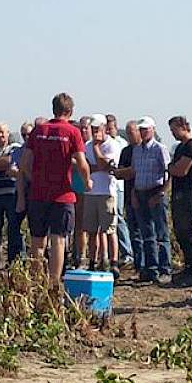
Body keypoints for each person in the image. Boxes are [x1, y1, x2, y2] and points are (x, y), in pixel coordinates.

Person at [18, 93, 92, 286]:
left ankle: (36, 281)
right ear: (70, 111)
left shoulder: (38, 130)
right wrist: (87, 181)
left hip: (38, 194)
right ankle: (53, 284)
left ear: (53, 109)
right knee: (58, 240)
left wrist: (35, 179)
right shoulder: (72, 132)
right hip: (62, 195)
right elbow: (82, 164)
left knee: (37, 240)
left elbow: (24, 163)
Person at [122, 116, 172, 284]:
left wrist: (160, 194)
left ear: (153, 129)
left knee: (161, 233)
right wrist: (134, 194)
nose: (143, 132)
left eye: (146, 129)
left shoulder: (160, 149)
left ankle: (164, 269)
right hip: (140, 192)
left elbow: (168, 173)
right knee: (146, 234)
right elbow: (135, 173)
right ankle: (150, 269)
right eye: (141, 129)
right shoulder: (137, 150)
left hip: (155, 192)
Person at [168, 116, 192, 286]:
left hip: (187, 194)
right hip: (177, 193)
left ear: (183, 127)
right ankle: (188, 267)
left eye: (174, 129)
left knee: (186, 231)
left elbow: (180, 170)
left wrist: (169, 168)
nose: (172, 133)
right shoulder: (180, 147)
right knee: (179, 231)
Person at [83, 114, 120, 271]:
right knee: (92, 231)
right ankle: (92, 261)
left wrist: (97, 148)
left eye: (97, 128)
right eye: (93, 129)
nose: (95, 131)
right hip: (91, 193)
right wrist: (98, 166)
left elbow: (107, 166)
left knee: (110, 230)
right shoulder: (87, 145)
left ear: (104, 128)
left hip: (107, 192)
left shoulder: (112, 145)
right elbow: (85, 166)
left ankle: (113, 262)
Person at [0, 123, 23, 266]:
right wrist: (1, 163)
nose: (0, 135)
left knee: (13, 227)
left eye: (3, 132)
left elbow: (11, 161)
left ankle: (12, 260)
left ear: (8, 133)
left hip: (11, 193)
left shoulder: (15, 148)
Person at [112, 121, 144, 274]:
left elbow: (135, 171)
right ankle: (138, 264)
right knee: (134, 231)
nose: (130, 136)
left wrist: (130, 171)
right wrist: (130, 171)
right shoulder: (126, 151)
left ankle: (149, 264)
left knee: (147, 232)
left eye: (132, 132)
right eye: (128, 133)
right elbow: (119, 173)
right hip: (129, 194)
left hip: (144, 194)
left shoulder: (145, 150)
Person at [106, 114, 133, 267]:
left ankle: (127, 251)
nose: (109, 131)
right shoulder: (103, 143)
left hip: (119, 187)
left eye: (111, 128)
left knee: (119, 218)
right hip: (108, 186)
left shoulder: (121, 143)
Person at [71, 115, 93, 267]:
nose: (83, 131)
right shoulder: (75, 145)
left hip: (88, 188)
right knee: (75, 224)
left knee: (85, 225)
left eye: (86, 128)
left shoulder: (92, 146)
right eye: (81, 128)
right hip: (72, 186)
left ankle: (85, 256)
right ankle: (76, 255)